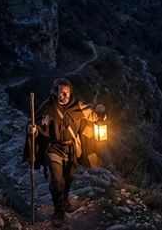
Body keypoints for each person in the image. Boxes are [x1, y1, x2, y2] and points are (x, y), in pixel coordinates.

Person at [26, 78, 106, 228]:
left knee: (68, 178)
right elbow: (35, 123)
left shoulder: (78, 105)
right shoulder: (48, 107)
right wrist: (32, 129)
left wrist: (101, 111)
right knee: (57, 181)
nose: (65, 95)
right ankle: (59, 211)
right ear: (55, 92)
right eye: (62, 92)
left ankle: (65, 199)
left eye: (67, 92)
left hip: (71, 149)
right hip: (53, 148)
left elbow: (94, 115)